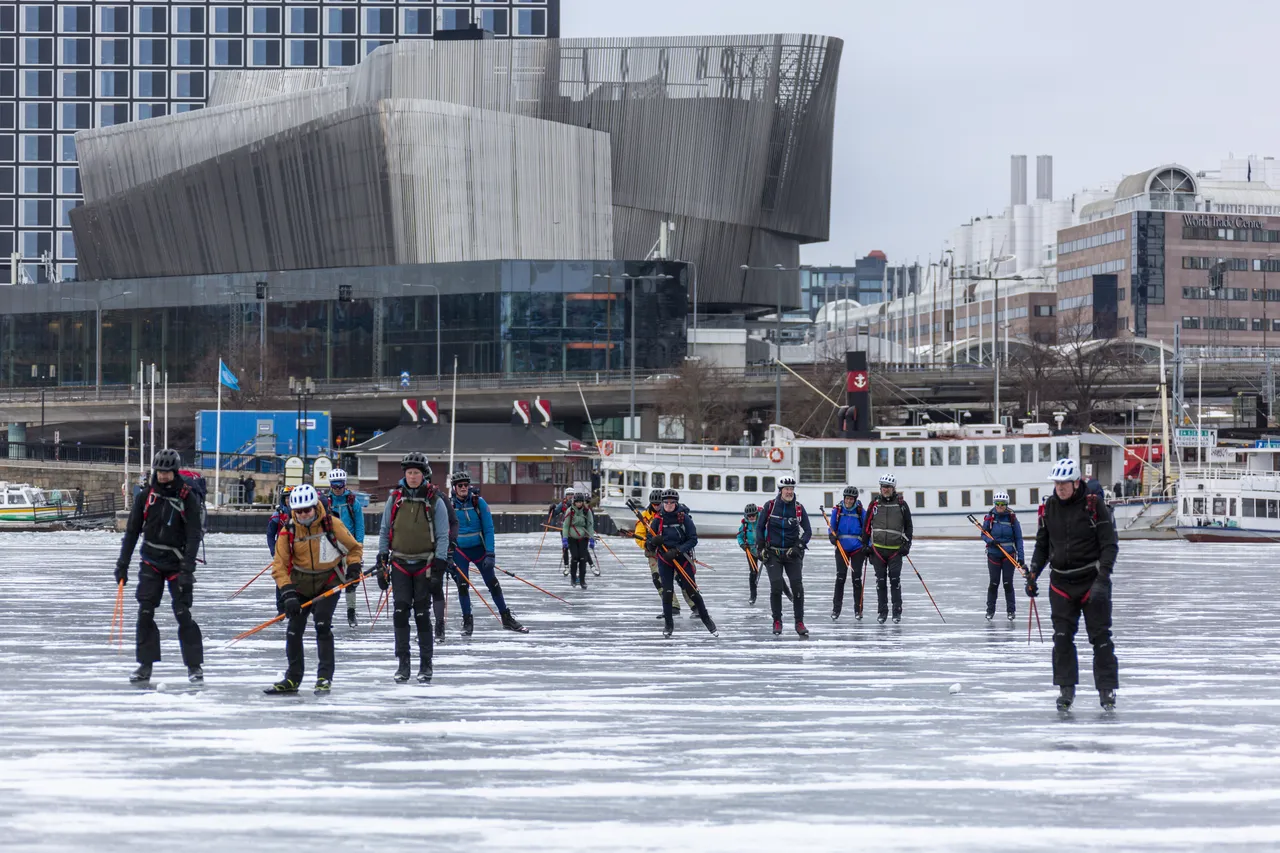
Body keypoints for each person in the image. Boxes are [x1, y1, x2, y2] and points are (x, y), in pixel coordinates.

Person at [1026, 458, 1119, 712]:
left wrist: (1103, 579)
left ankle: (1106, 690)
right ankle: (1066, 690)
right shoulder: (1049, 508)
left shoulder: (1093, 505)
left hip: (1092, 582)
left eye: (1065, 484)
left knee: (1100, 638)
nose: (1060, 488)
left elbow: (1109, 545)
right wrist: (1034, 572)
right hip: (1061, 585)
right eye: (1057, 484)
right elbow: (1043, 546)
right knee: (1062, 638)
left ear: (1077, 483)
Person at [114, 449, 204, 685]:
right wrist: (122, 564)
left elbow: (195, 536)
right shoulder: (146, 496)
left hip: (177, 564)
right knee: (145, 613)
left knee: (183, 614)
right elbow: (132, 532)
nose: (163, 476)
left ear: (175, 472)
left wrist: (187, 570)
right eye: (160, 472)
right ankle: (145, 665)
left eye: (167, 472)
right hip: (151, 561)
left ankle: (194, 667)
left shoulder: (188, 498)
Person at [263, 484, 364, 695]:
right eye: (298, 511)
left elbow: (354, 547)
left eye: (307, 510)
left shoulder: (331, 524)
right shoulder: (287, 531)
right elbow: (279, 566)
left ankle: (324, 677)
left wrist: (354, 567)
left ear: (314, 506)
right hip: (300, 584)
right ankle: (292, 678)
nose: (303, 515)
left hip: (328, 581)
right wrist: (287, 593)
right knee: (293, 630)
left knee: (322, 624)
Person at [376, 452, 451, 683]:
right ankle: (403, 664)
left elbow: (442, 534)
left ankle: (426, 665)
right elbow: (384, 529)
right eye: (409, 473)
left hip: (424, 565)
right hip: (399, 563)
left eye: (416, 473)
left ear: (424, 474)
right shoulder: (395, 499)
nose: (412, 476)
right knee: (400, 613)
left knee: (421, 614)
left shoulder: (435, 500)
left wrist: (439, 566)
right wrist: (381, 559)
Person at [450, 471, 528, 635]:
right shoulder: (449, 505)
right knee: (462, 586)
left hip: (479, 550)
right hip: (459, 552)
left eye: (466, 485)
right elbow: (443, 531)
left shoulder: (479, 503)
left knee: (492, 583)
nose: (464, 488)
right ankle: (467, 621)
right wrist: (446, 557)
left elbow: (489, 529)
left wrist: (490, 554)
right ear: (454, 488)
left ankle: (506, 618)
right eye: (460, 485)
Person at [649, 488, 717, 638]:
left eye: (671, 502)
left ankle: (706, 619)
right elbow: (649, 544)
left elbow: (693, 539)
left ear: (676, 503)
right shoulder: (657, 519)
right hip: (664, 560)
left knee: (691, 590)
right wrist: (654, 542)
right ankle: (668, 624)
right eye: (665, 502)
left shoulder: (683, 518)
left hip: (682, 558)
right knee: (667, 592)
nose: (668, 505)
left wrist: (678, 550)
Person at [757, 476, 812, 637]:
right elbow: (760, 528)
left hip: (792, 553)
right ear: (780, 490)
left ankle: (799, 622)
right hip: (773, 553)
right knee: (776, 586)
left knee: (797, 587)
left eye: (792, 489)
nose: (789, 492)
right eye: (786, 489)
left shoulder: (798, 508)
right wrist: (760, 548)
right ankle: (777, 621)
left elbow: (808, 531)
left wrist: (799, 546)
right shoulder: (770, 506)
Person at [863, 472, 913, 624]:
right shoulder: (874, 504)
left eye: (888, 487)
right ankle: (882, 612)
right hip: (878, 550)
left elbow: (908, 527)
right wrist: (866, 546)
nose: (885, 489)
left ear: (893, 488)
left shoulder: (902, 505)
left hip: (895, 551)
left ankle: (897, 612)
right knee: (881, 582)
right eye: (883, 486)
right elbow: (866, 526)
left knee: (895, 581)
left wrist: (907, 545)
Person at [634, 489, 692, 618]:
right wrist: (650, 545)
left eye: (659, 503)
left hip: (673, 551)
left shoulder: (673, 514)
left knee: (682, 578)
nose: (657, 506)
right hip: (654, 554)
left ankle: (695, 605)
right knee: (659, 580)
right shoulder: (645, 516)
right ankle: (672, 606)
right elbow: (639, 535)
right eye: (654, 504)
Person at [323, 469, 364, 628]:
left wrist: (358, 546)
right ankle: (327, 615)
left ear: (345, 484)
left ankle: (351, 612)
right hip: (330, 545)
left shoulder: (354, 502)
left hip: (349, 546)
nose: (337, 487)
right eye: (334, 484)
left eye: (340, 484)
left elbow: (360, 526)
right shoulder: (326, 502)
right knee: (327, 581)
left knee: (351, 580)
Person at [980, 490, 1023, 622]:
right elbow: (983, 534)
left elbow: (1019, 538)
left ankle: (1011, 611)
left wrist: (1021, 557)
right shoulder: (990, 518)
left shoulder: (1012, 518)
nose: (999, 506)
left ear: (1006, 504)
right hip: (994, 554)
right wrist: (990, 541)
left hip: (1009, 554)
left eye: (1002, 504)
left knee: (1007, 583)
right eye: (997, 503)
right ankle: (990, 610)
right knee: (993, 583)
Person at [829, 486, 867, 621]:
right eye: (847, 498)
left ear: (855, 499)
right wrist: (832, 536)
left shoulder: (861, 511)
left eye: (851, 499)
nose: (849, 501)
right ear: (844, 498)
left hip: (857, 549)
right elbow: (832, 527)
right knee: (840, 578)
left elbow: (867, 529)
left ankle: (858, 610)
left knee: (856, 579)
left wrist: (867, 546)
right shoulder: (837, 510)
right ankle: (836, 609)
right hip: (841, 548)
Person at [561, 491, 595, 588]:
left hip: (583, 538)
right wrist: (565, 539)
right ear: (574, 502)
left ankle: (582, 580)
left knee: (583, 559)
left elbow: (590, 526)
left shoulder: (587, 511)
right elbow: (566, 526)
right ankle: (573, 578)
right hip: (572, 538)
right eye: (577, 502)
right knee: (575, 558)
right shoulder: (570, 511)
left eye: (581, 502)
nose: (579, 504)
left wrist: (591, 538)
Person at [736, 502, 762, 605]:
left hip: (762, 549)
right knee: (753, 572)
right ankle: (753, 595)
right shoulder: (744, 525)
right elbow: (739, 536)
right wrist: (742, 545)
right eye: (749, 516)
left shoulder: (762, 522)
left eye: (753, 515)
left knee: (773, 570)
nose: (751, 517)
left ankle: (785, 591)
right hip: (750, 550)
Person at [547, 487, 575, 577]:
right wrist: (551, 509)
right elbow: (554, 514)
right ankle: (566, 566)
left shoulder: (577, 503)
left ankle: (574, 566)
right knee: (565, 547)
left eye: (571, 494)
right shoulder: (562, 504)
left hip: (575, 528)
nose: (570, 496)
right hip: (564, 528)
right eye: (568, 494)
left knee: (575, 548)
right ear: (566, 495)